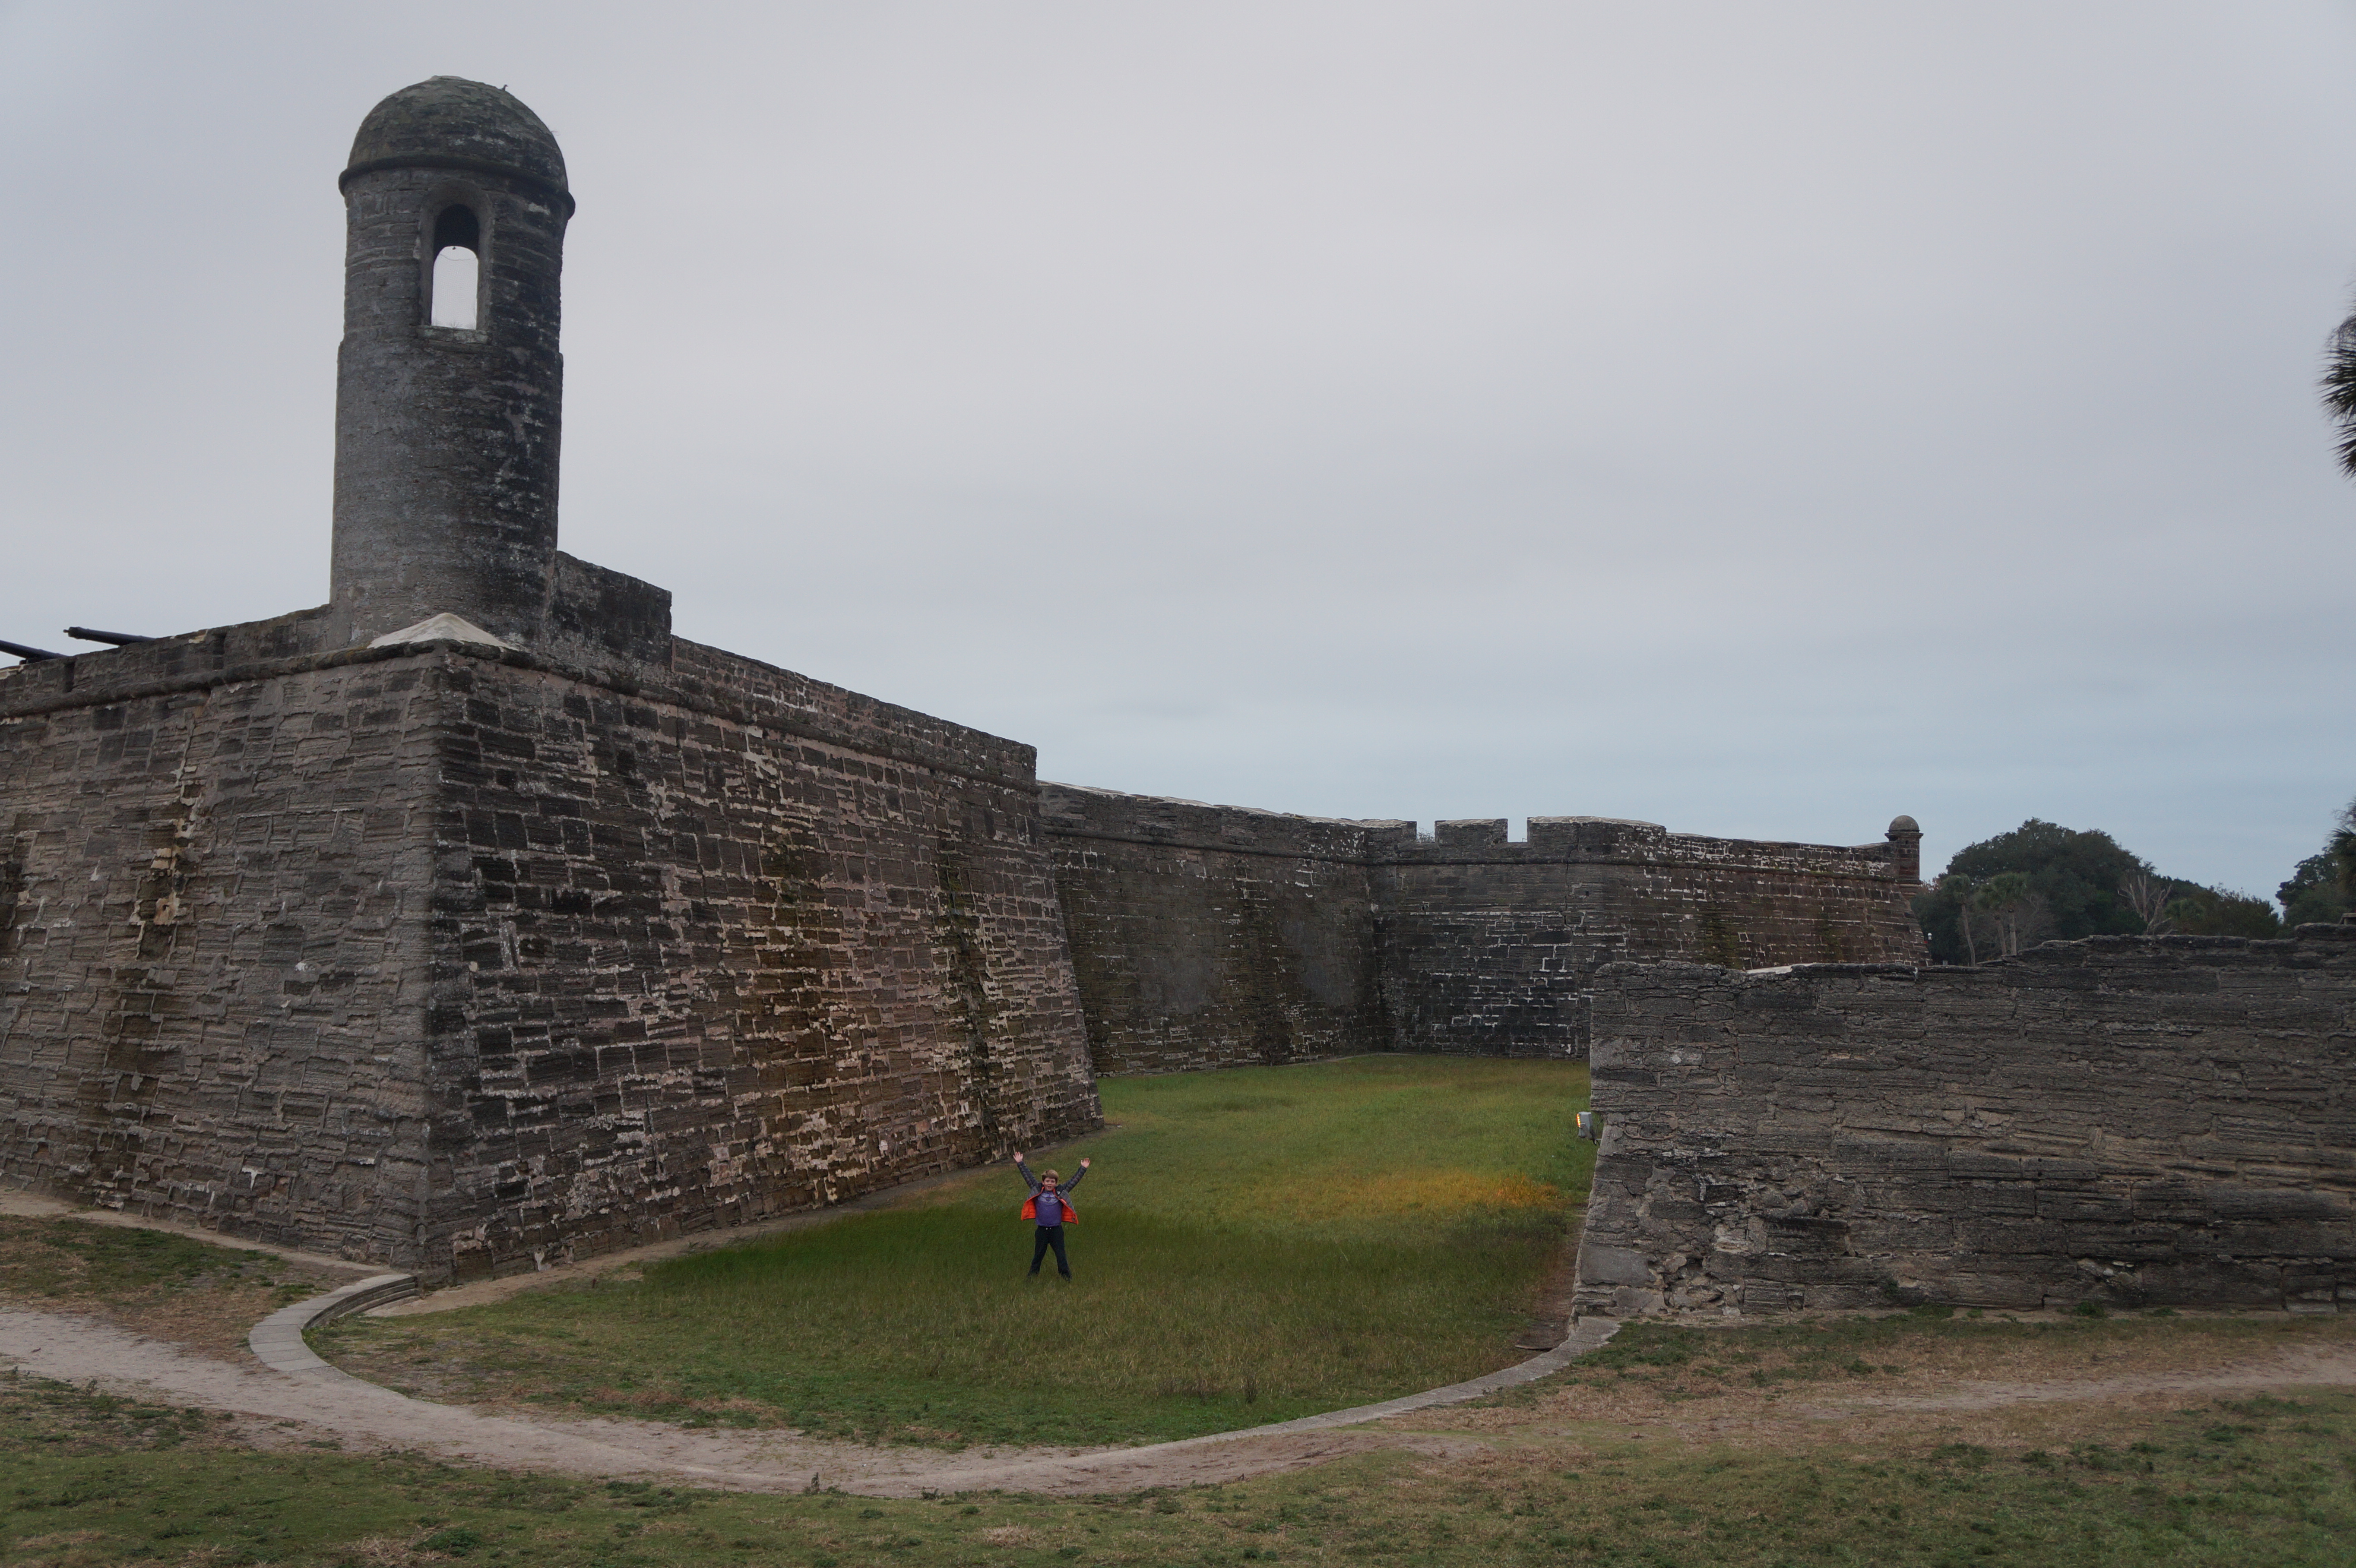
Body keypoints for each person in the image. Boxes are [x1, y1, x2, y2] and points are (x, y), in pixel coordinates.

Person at [1011, 1150, 1090, 1280]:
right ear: (1043, 1182)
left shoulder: (1061, 1192)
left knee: (1061, 1254)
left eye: (1053, 1182)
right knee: (1038, 1255)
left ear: (1056, 1183)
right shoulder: (1037, 1189)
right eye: (1048, 1181)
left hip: (1056, 1230)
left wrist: (1083, 1168)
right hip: (1042, 1230)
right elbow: (1027, 1176)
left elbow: (1074, 1181)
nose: (1050, 1184)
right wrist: (1020, 1163)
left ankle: (1066, 1276)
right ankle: (1032, 1275)